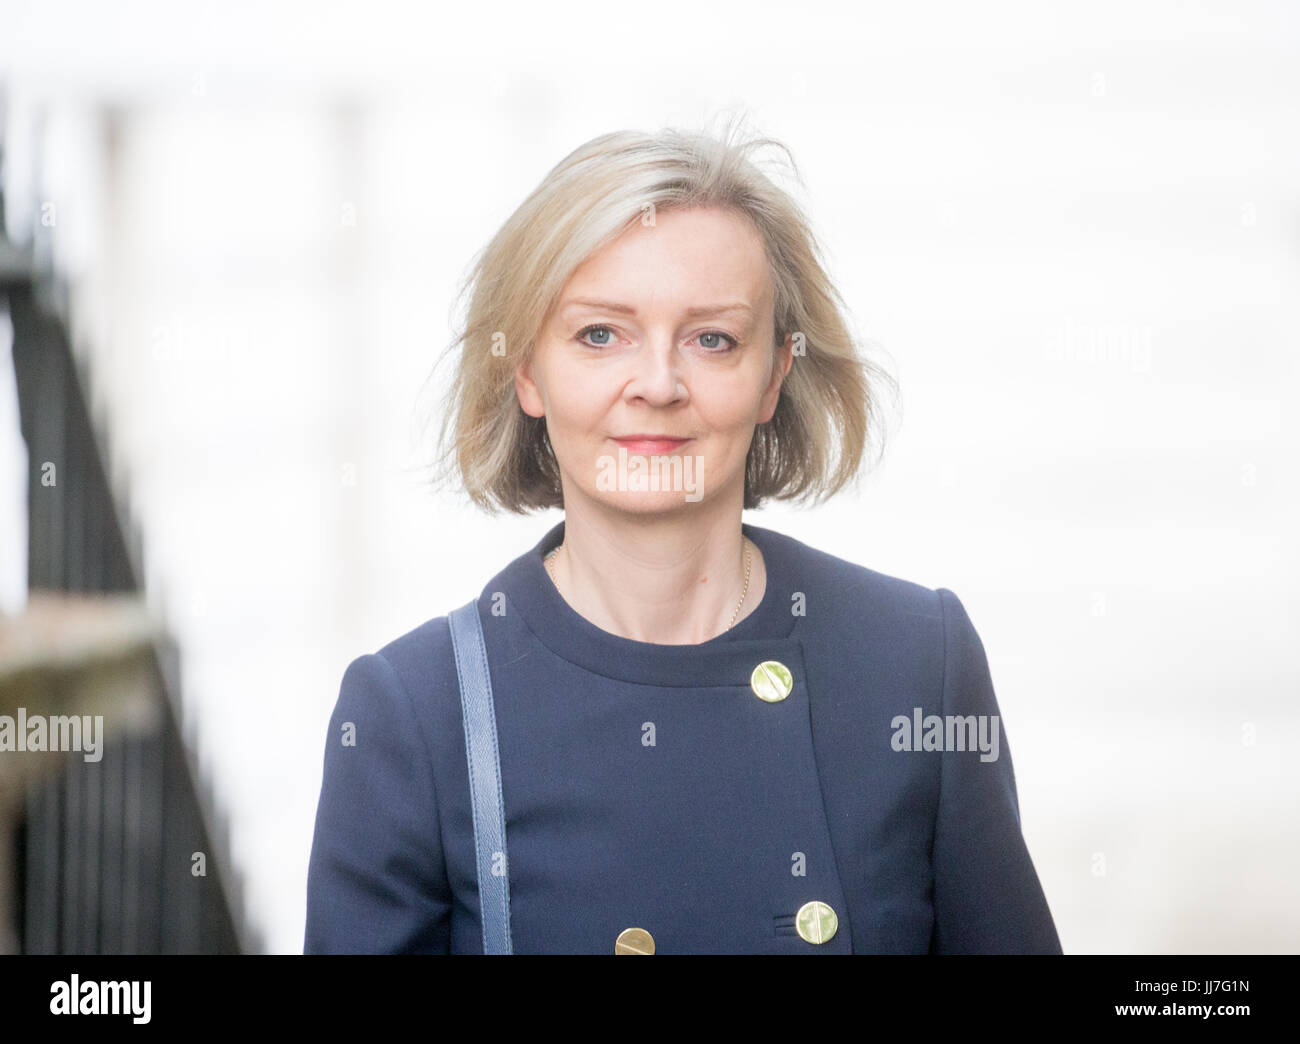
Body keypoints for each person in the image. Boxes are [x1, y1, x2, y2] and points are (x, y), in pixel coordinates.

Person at [303, 119, 1062, 954]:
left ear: (774, 374)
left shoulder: (915, 660)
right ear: (525, 370)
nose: (658, 385)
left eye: (712, 339)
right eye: (600, 335)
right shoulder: (415, 715)